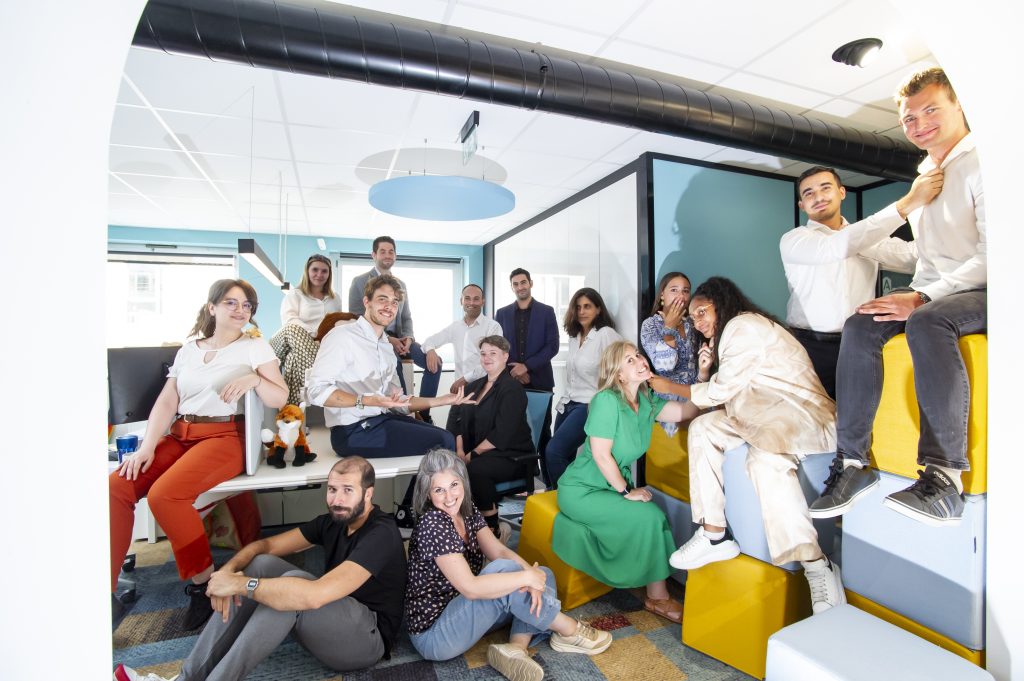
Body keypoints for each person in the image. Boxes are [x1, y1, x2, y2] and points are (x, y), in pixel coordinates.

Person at [809, 67, 986, 527]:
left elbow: (995, 257)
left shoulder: (984, 160)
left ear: (958, 104)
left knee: (928, 319)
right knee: (860, 323)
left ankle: (945, 479)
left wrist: (922, 296)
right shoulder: (926, 175)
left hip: (984, 290)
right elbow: (924, 255)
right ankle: (852, 463)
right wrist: (909, 283)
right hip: (937, 289)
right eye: (909, 118)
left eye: (931, 110)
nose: (919, 124)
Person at [113, 457, 407, 681]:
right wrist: (227, 573)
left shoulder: (381, 533)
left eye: (347, 490)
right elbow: (263, 547)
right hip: (335, 619)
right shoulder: (333, 521)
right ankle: (186, 678)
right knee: (261, 565)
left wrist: (241, 585)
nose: (337, 499)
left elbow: (315, 595)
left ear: (368, 494)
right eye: (332, 490)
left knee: (292, 590)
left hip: (368, 639)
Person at [649, 277, 844, 614]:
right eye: (693, 318)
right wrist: (704, 371)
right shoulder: (731, 335)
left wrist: (669, 386)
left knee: (763, 462)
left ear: (721, 303)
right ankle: (713, 532)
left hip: (799, 414)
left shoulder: (742, 326)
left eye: (702, 312)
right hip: (763, 414)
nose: (698, 322)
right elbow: (725, 395)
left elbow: (720, 391)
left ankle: (816, 565)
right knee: (704, 428)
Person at [108, 279, 288, 631]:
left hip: (225, 436)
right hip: (180, 434)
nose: (240, 310)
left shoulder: (255, 347)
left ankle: (204, 584)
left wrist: (254, 380)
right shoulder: (189, 348)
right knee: (117, 486)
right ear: (212, 307)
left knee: (165, 496)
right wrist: (147, 446)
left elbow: (279, 397)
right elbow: (168, 400)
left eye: (247, 305)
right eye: (231, 302)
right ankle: (106, 587)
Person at [405, 449, 612, 681]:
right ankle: (569, 629)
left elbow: (499, 550)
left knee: (542, 573)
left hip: (466, 613)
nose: (449, 496)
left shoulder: (466, 509)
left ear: (463, 481)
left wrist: (531, 575)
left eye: (454, 485)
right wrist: (525, 578)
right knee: (506, 572)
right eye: (439, 490)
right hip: (436, 635)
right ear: (427, 493)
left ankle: (515, 649)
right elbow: (470, 588)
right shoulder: (433, 524)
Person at [552, 341, 694, 624]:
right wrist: (627, 490)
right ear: (618, 375)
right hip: (583, 489)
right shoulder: (607, 400)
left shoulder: (647, 402)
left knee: (651, 515)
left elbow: (685, 412)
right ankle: (657, 597)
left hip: (609, 486)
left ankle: (654, 590)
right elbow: (601, 455)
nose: (640, 360)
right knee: (650, 516)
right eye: (629, 360)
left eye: (638, 355)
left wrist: (701, 377)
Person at [780, 166, 940, 397]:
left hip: (858, 341)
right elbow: (836, 247)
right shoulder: (794, 240)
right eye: (809, 193)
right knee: (810, 413)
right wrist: (907, 204)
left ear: (842, 192)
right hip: (808, 345)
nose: (819, 197)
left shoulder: (867, 238)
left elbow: (911, 257)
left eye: (825, 188)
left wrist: (937, 215)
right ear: (801, 205)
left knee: (860, 408)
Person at [307, 273, 473, 460]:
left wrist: (442, 400)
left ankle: (427, 481)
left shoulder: (386, 346)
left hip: (381, 419)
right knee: (444, 441)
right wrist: (368, 401)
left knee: (446, 436)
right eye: (382, 299)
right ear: (367, 302)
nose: (389, 306)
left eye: (394, 302)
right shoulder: (342, 336)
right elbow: (316, 391)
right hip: (352, 432)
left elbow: (397, 401)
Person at [445, 336, 535, 542]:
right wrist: (460, 451)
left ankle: (493, 530)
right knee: (444, 466)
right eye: (483, 354)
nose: (487, 358)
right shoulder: (473, 386)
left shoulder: (512, 389)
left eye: (493, 353)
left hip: (511, 455)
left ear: (505, 357)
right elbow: (456, 420)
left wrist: (470, 456)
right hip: (476, 452)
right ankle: (460, 527)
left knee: (474, 469)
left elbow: (502, 433)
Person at [348, 236, 440, 420]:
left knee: (435, 364)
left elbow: (406, 317)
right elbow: (355, 317)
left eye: (391, 251)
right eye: (382, 251)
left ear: (395, 256)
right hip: (376, 339)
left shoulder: (401, 285)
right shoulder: (359, 282)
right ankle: (403, 417)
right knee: (395, 368)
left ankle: (423, 415)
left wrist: (409, 338)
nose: (387, 255)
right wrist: (389, 340)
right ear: (373, 255)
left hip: (401, 338)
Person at [544, 287, 622, 488]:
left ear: (598, 309)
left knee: (554, 451)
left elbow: (621, 365)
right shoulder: (574, 336)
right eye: (578, 307)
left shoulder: (606, 334)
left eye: (587, 306)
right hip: (568, 402)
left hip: (588, 404)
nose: (582, 311)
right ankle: (561, 495)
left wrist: (607, 400)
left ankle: (566, 495)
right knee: (563, 456)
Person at [494, 268, 559, 481]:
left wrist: (527, 367)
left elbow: (552, 346)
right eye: (516, 284)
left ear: (530, 283)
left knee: (543, 433)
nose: (520, 287)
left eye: (523, 282)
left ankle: (549, 483)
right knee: (513, 432)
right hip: (511, 382)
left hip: (540, 381)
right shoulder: (502, 314)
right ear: (511, 287)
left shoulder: (546, 311)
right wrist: (516, 370)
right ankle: (521, 481)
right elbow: (498, 347)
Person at [269, 254, 344, 405]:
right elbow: (289, 320)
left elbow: (336, 323)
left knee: (292, 359)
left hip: (308, 348)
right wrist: (314, 335)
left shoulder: (335, 298)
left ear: (329, 274)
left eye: (324, 271)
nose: (319, 274)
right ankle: (318, 376)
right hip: (285, 339)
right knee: (293, 328)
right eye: (315, 270)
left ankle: (293, 410)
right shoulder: (295, 294)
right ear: (307, 271)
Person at [639, 271, 707, 435]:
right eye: (674, 290)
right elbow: (665, 366)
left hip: (697, 399)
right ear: (662, 294)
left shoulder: (693, 323)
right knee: (674, 448)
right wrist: (668, 329)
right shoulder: (651, 325)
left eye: (685, 291)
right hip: (669, 404)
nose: (681, 296)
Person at [421, 283, 503, 394]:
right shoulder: (455, 327)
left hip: (485, 389)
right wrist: (430, 351)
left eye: (476, 299)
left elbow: (493, 360)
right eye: (467, 298)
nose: (471, 303)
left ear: (482, 301)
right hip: (460, 391)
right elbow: (429, 341)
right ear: (461, 301)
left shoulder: (493, 327)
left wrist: (465, 379)